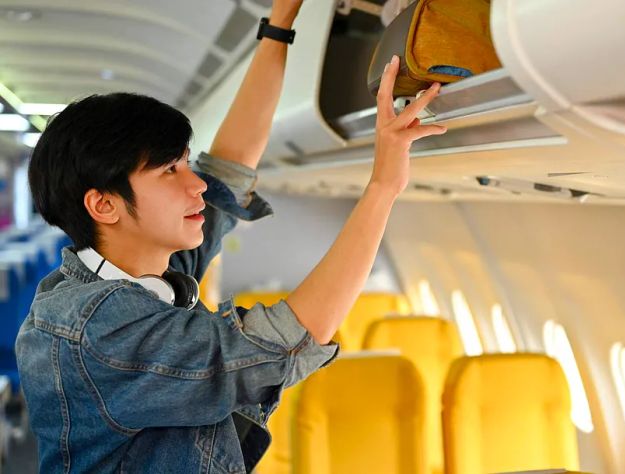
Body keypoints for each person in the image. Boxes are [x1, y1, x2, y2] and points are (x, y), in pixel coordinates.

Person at [15, 0, 446, 471]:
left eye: (185, 162)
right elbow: (288, 338)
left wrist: (280, 24)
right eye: (170, 170)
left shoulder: (147, 274)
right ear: (104, 204)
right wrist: (384, 185)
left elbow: (228, 170)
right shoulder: (101, 327)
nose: (195, 183)